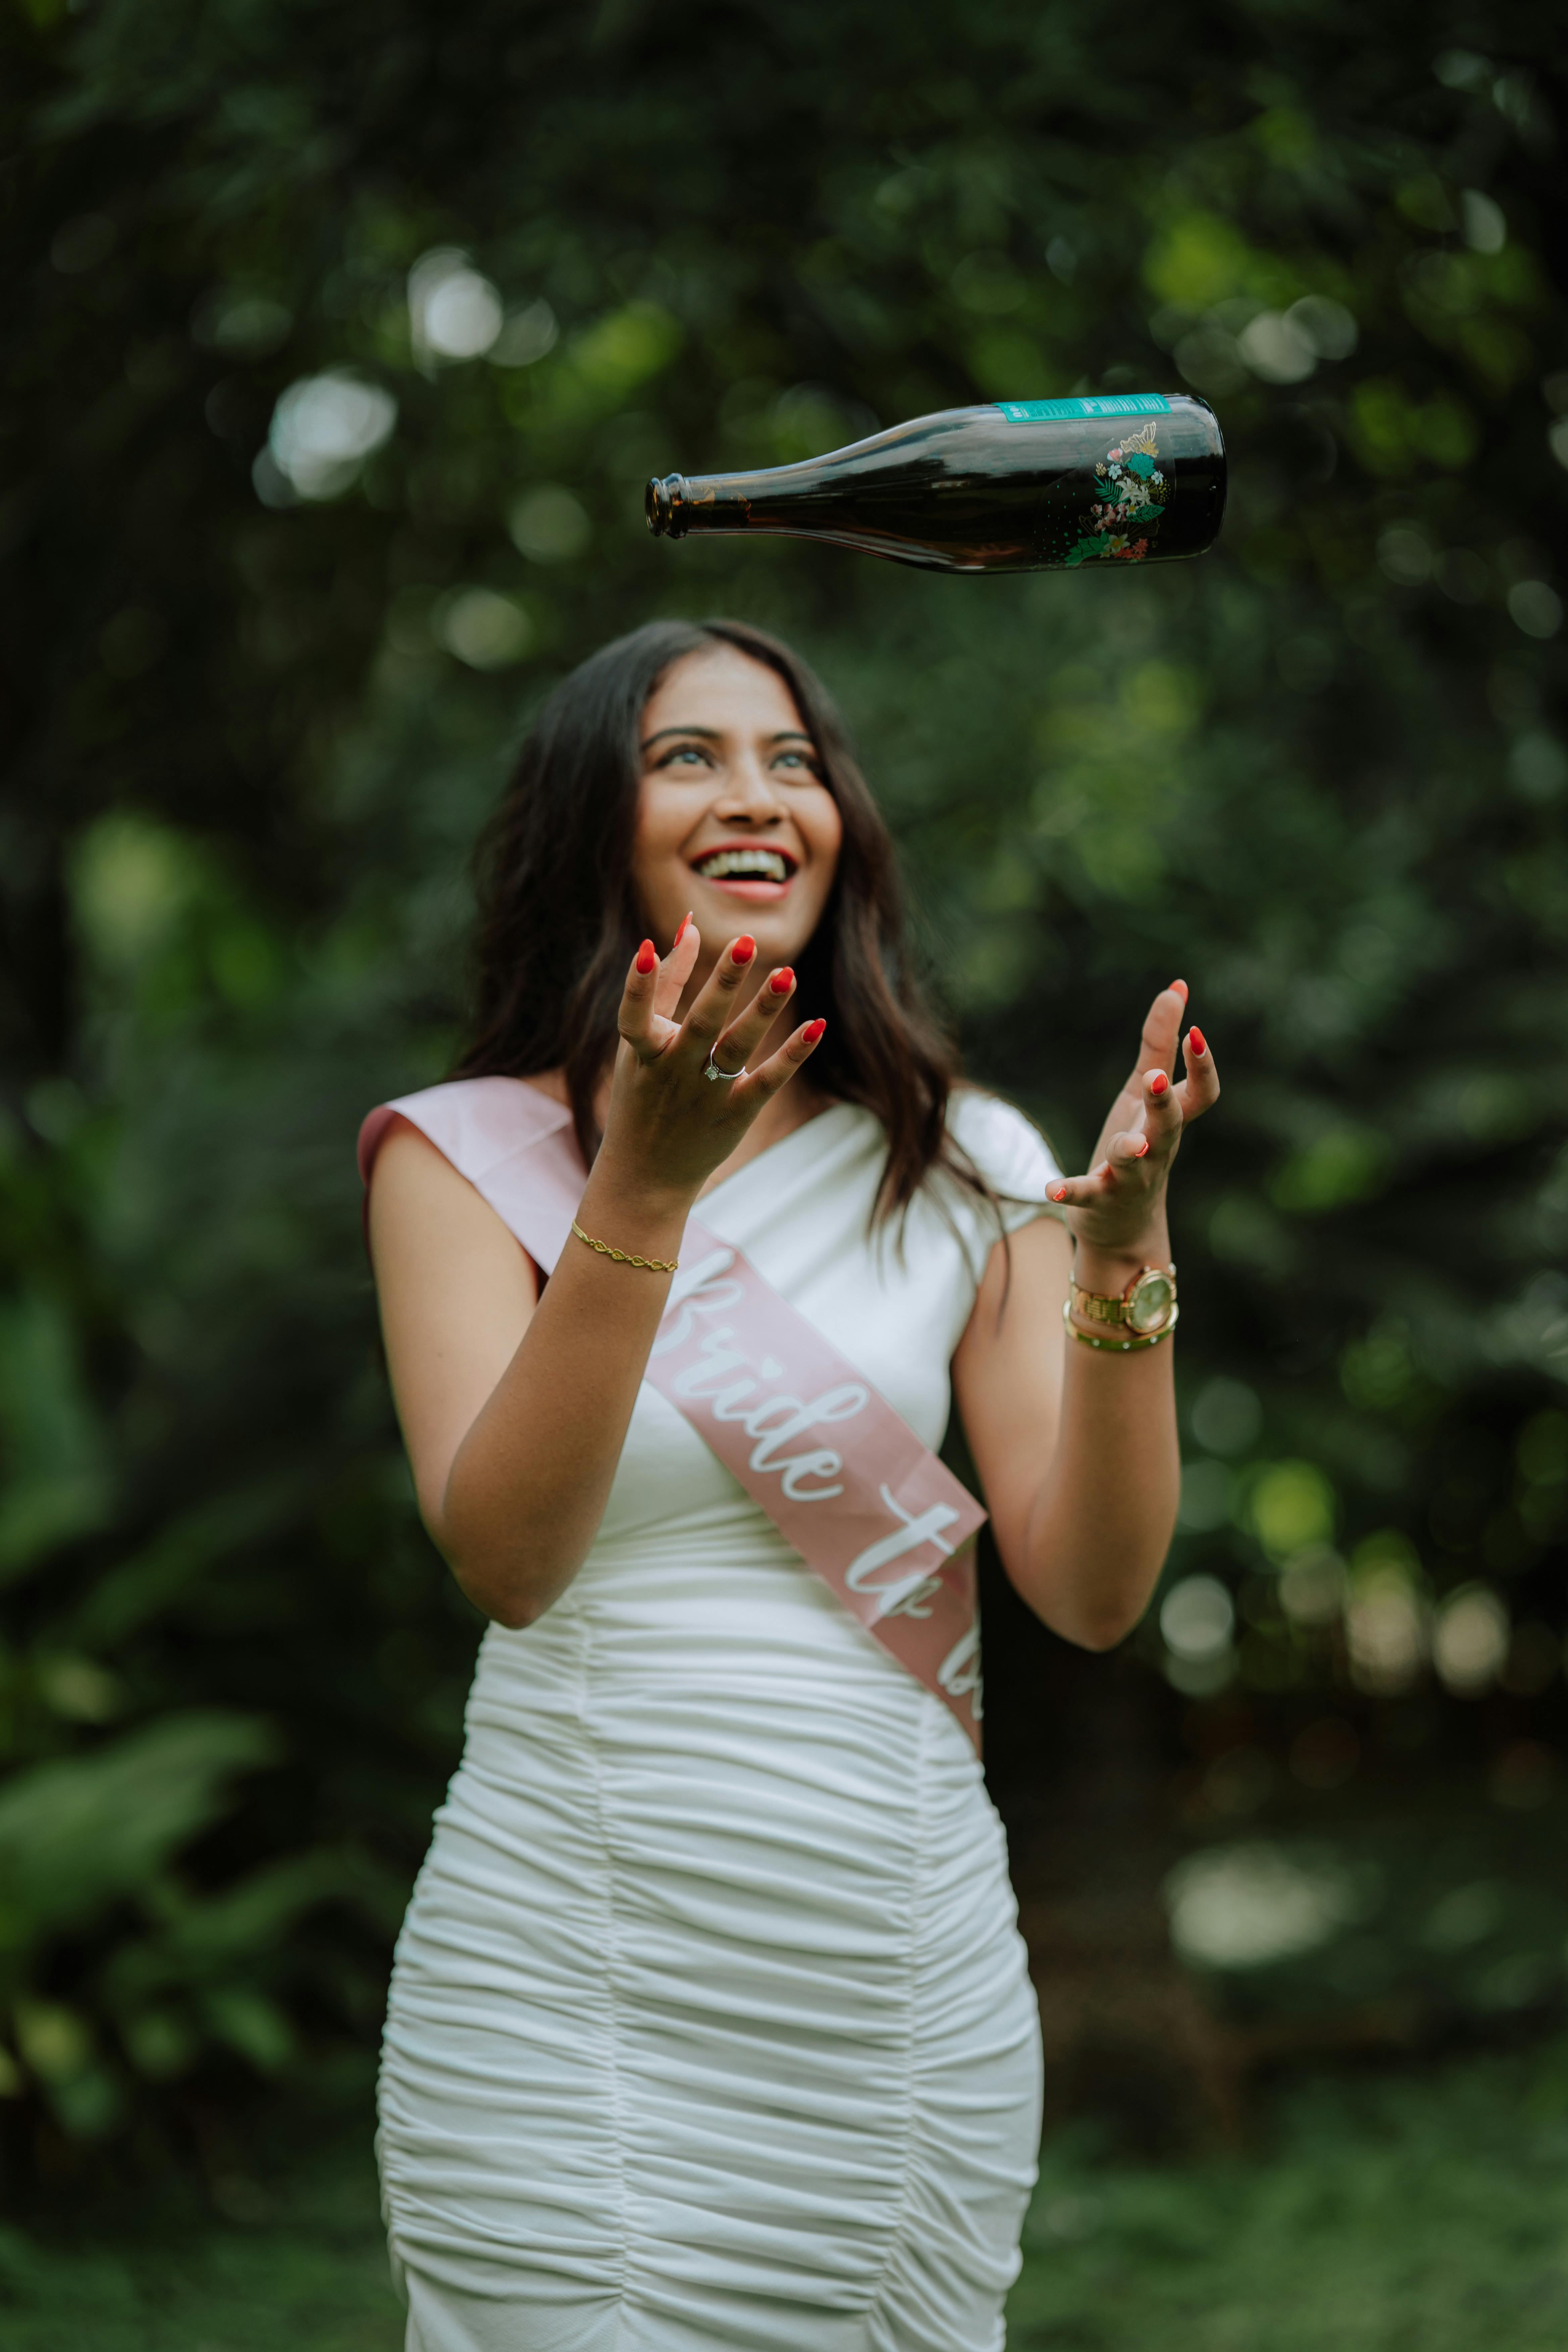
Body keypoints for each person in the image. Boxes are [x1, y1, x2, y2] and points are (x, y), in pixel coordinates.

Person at [361, 617, 1219, 2352]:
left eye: (795, 759)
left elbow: (1096, 1589)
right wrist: (644, 1187)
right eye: (691, 756)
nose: (758, 798)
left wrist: (1123, 1259)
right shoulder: (464, 1160)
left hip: (901, 2005)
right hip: (569, 2005)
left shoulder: (964, 1159)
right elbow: (513, 1562)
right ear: (597, 819)